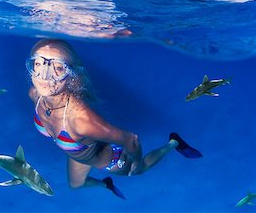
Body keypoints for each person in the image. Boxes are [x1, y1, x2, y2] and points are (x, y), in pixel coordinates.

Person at [27, 39, 202, 199]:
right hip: (78, 156)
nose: (45, 75)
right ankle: (106, 184)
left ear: (71, 75)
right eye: (38, 63)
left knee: (139, 171)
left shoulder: (81, 120)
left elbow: (131, 139)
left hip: (109, 158)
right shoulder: (36, 95)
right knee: (75, 185)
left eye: (58, 68)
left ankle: (174, 143)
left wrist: (136, 161)